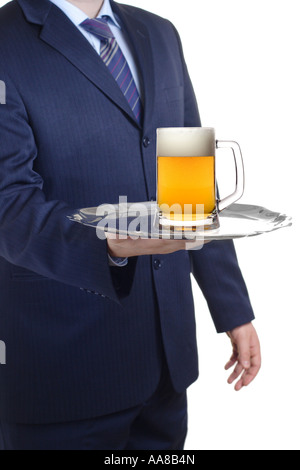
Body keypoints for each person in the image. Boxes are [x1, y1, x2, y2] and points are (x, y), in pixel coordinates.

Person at [0, 0, 261, 450]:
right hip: (61, 372)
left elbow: (191, 180)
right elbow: (9, 204)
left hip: (165, 364)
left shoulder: (158, 33)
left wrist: (232, 309)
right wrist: (109, 245)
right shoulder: (6, 40)